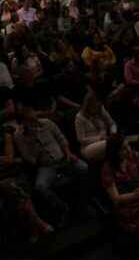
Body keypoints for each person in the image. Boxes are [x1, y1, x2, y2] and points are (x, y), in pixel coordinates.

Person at [14, 95, 89, 224]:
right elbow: (29, 159)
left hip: (63, 157)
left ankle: (83, 202)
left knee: (83, 167)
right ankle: (62, 208)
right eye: (29, 120)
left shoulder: (47, 123)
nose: (34, 120)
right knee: (40, 187)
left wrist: (68, 153)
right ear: (24, 122)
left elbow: (61, 139)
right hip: (46, 166)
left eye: (33, 116)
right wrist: (33, 141)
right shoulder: (19, 136)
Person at [75, 91, 117, 162]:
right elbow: (81, 139)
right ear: (87, 105)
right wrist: (100, 138)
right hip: (88, 147)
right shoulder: (80, 118)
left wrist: (113, 132)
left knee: (118, 145)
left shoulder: (101, 109)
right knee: (113, 144)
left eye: (98, 105)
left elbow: (112, 123)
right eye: (94, 106)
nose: (96, 108)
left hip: (106, 141)